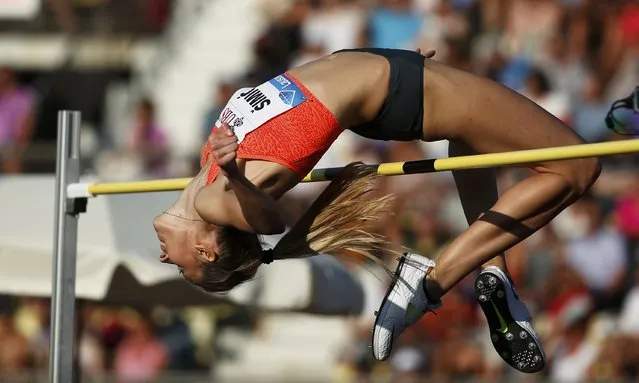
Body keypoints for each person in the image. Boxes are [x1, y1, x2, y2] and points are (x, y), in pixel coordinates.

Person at [152, 48, 601, 373]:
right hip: (397, 87)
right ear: (208, 250)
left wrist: (231, 171)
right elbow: (272, 221)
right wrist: (237, 175)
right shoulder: (219, 194)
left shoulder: (205, 171)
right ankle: (429, 282)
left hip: (382, 74)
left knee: (477, 146)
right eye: (182, 268)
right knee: (579, 166)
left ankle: (493, 267)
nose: (164, 258)